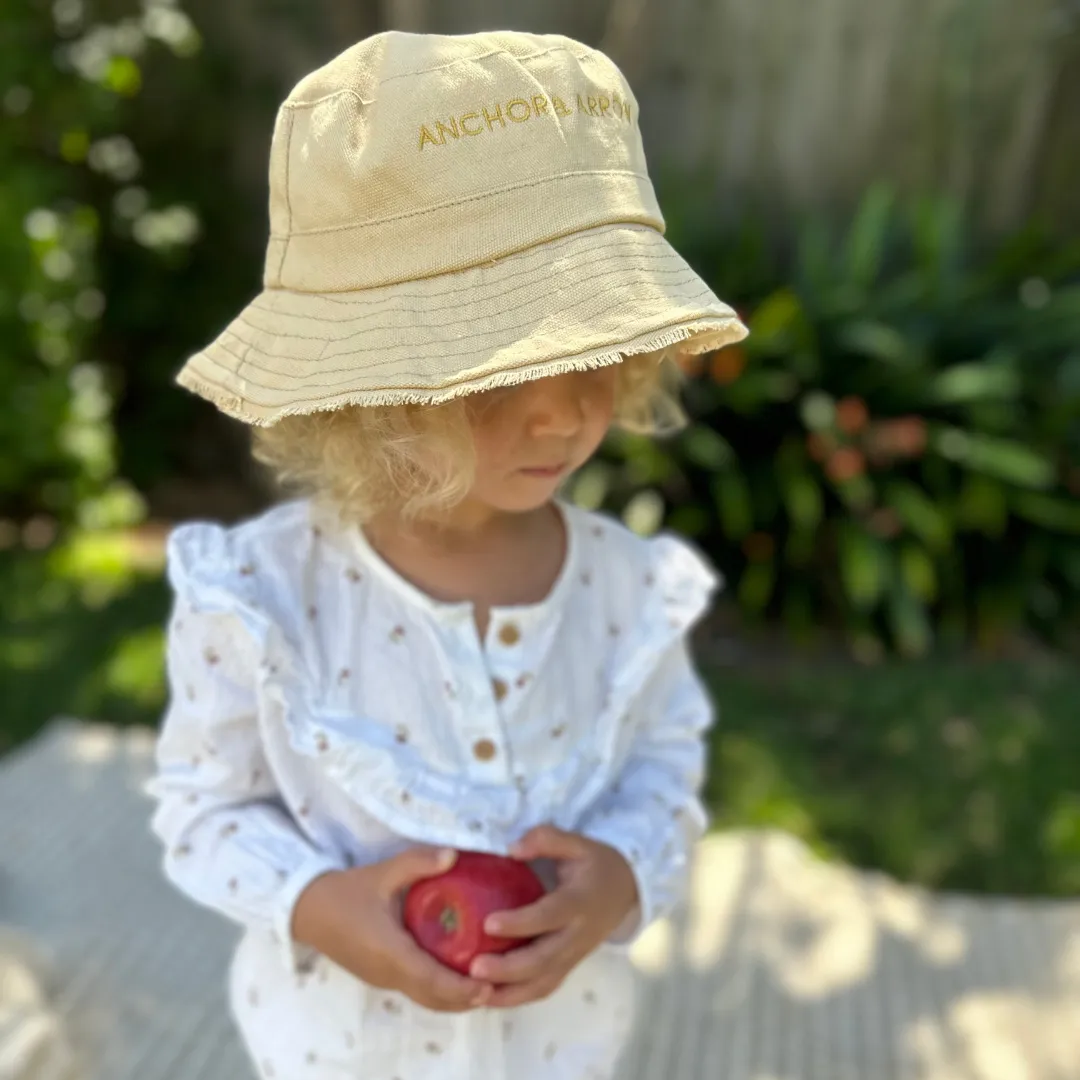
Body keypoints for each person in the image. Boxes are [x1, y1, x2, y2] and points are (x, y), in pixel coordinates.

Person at [144, 27, 747, 1080]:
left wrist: (622, 875)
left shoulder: (625, 592)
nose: (562, 416)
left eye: (596, 356)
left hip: (560, 1045)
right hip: (337, 1050)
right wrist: (315, 904)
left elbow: (664, 760)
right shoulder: (263, 601)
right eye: (497, 375)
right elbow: (202, 809)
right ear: (367, 397)